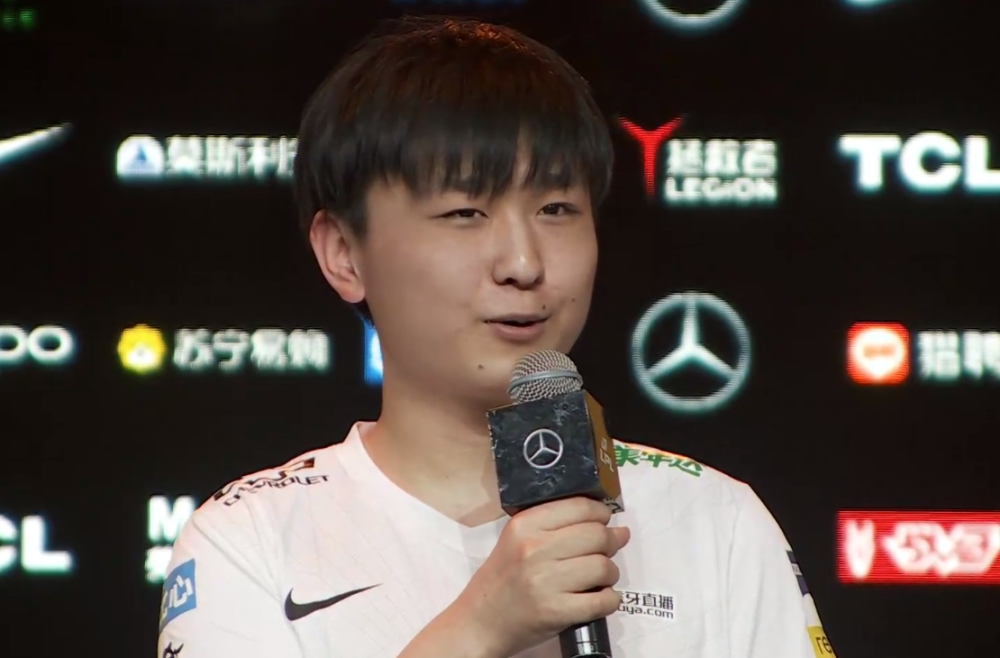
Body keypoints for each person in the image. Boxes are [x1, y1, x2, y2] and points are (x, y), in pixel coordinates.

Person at [156, 15, 836, 658]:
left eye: (556, 208)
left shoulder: (711, 518)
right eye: (465, 213)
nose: (523, 262)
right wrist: (481, 628)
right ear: (343, 253)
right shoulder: (252, 537)